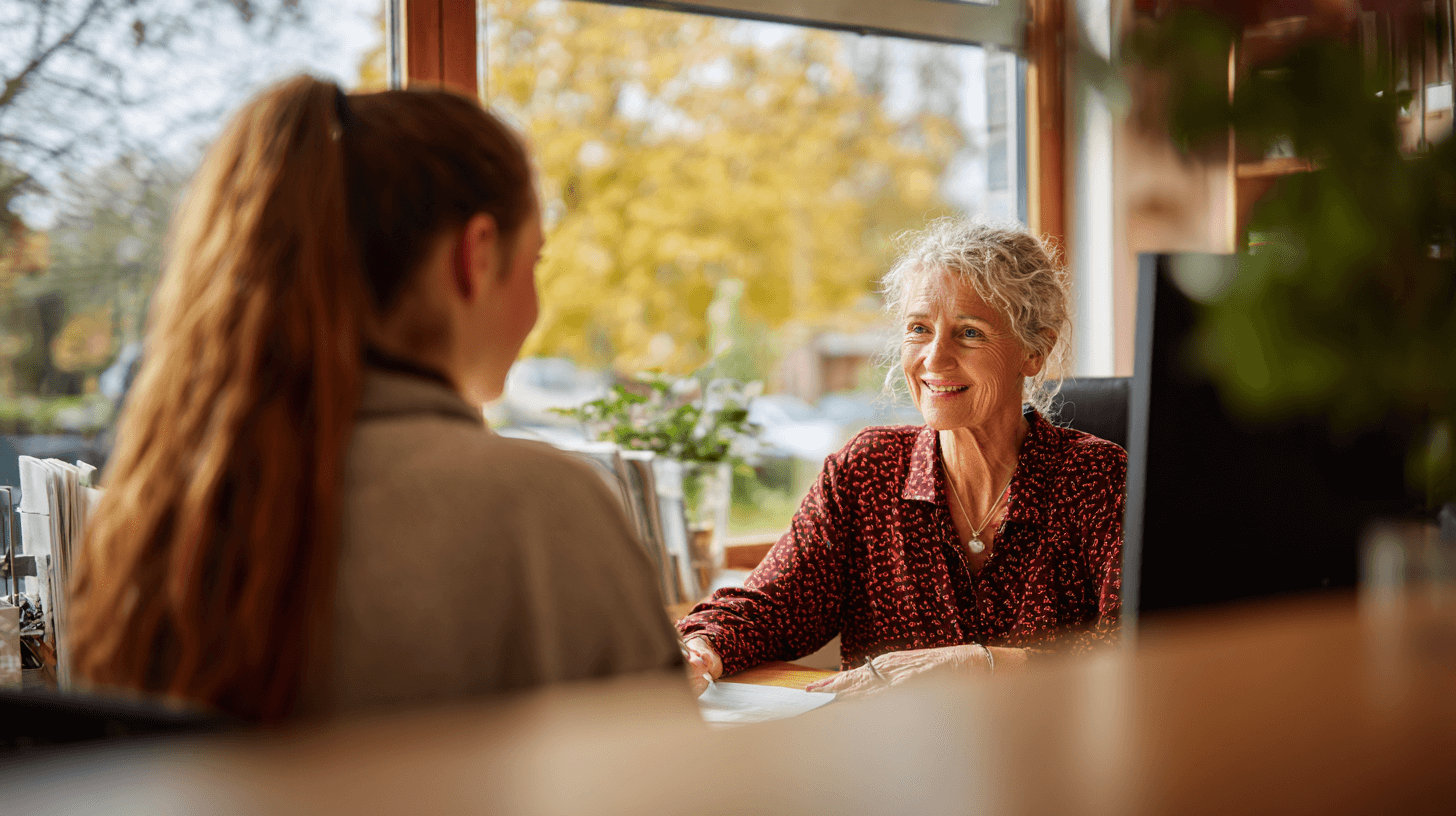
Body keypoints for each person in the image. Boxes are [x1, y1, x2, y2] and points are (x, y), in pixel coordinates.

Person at [66, 76, 682, 722]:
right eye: (537, 262)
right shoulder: (542, 508)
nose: (537, 299)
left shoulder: (156, 516)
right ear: (475, 257)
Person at [679, 219, 1125, 699]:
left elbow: (1140, 652)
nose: (934, 358)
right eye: (919, 329)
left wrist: (978, 663)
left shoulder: (1098, 477)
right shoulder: (866, 470)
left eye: (969, 333)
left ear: (1035, 351)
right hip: (888, 760)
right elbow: (772, 607)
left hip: (1047, 760)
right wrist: (701, 650)